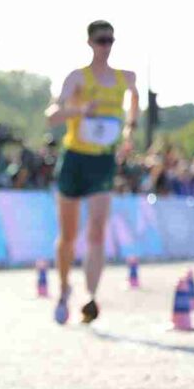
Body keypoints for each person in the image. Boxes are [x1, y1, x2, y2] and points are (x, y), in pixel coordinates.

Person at [46, 20, 139, 324]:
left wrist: (130, 130)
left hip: (103, 160)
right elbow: (52, 116)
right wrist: (80, 110)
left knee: (98, 229)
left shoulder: (125, 77)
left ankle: (91, 296)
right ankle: (63, 289)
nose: (106, 46)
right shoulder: (77, 78)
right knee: (69, 235)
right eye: (100, 40)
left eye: (110, 40)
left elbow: (135, 97)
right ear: (90, 42)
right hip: (74, 159)